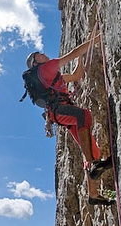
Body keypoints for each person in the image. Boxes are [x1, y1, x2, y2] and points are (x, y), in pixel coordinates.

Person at [26, 34, 114, 206]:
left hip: (60, 114)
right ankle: (94, 164)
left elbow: (75, 75)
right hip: (61, 111)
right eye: (39, 55)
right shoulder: (47, 68)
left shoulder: (51, 76)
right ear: (37, 63)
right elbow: (73, 53)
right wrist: (98, 37)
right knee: (83, 115)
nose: (43, 53)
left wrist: (81, 57)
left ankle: (93, 194)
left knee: (92, 149)